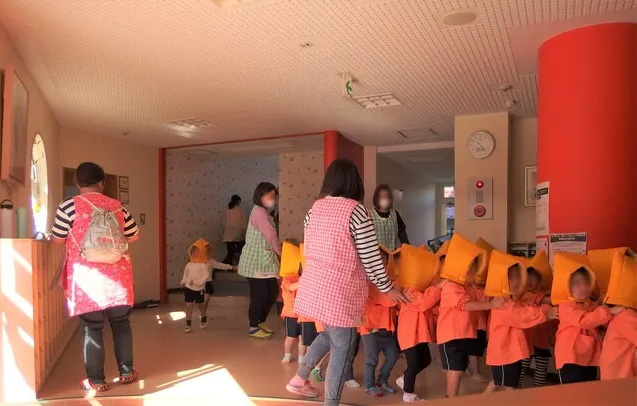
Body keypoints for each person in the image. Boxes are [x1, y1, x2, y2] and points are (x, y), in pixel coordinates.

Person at [285, 159, 409, 406]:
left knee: (329, 334)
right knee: (343, 347)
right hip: (340, 291)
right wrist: (388, 288)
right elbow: (371, 258)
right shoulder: (356, 211)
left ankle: (299, 379)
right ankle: (331, 402)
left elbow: (307, 250)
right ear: (354, 183)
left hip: (315, 285)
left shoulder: (314, 209)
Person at [52, 162, 140, 392]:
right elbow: (133, 235)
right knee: (121, 324)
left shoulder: (68, 207)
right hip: (118, 278)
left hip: (86, 280)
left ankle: (97, 381)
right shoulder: (118, 207)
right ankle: (127, 372)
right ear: (102, 182)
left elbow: (58, 239)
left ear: (76, 183)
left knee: (92, 327)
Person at [437, 237, 505, 398]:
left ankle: (450, 396)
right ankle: (451, 398)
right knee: (455, 370)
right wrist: (491, 305)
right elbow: (466, 305)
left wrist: (496, 296)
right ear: (463, 270)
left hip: (461, 334)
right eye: (473, 270)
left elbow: (482, 297)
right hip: (450, 336)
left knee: (456, 368)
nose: (475, 274)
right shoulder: (451, 286)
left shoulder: (467, 286)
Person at [483, 258, 558, 394]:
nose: (518, 280)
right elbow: (522, 315)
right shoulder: (503, 304)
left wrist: (547, 310)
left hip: (510, 353)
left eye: (518, 276)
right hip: (504, 353)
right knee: (505, 384)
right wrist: (546, 313)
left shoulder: (512, 300)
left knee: (503, 382)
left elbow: (528, 308)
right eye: (512, 277)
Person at [554, 266, 616, 384]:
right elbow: (584, 321)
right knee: (572, 392)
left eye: (587, 283)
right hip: (570, 357)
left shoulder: (591, 304)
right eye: (577, 283)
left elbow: (602, 320)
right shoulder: (565, 306)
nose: (583, 287)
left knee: (588, 390)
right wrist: (609, 310)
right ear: (567, 286)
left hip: (590, 356)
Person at [238, 182, 281, 339]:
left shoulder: (263, 212)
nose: (273, 199)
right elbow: (271, 236)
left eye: (274, 196)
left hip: (264, 261)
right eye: (270, 196)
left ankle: (260, 321)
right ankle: (253, 327)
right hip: (255, 262)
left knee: (272, 292)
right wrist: (280, 253)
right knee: (260, 295)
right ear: (260, 196)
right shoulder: (259, 213)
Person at [396, 277, 445, 402]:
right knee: (414, 363)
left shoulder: (422, 288)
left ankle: (405, 379)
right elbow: (425, 304)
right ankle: (408, 394)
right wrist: (438, 287)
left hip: (419, 333)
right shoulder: (409, 289)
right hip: (410, 332)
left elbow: (432, 302)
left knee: (426, 360)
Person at [180, 239, 235, 333]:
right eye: (194, 252)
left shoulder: (208, 263)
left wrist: (231, 267)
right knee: (189, 305)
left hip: (204, 285)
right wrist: (183, 282)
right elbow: (185, 275)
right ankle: (188, 324)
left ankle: (203, 315)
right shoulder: (189, 264)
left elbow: (218, 266)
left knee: (202, 303)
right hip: (189, 287)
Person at [518, 268, 554, 387]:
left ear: (538, 282)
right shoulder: (525, 295)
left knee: (541, 365)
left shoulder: (538, 294)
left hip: (541, 338)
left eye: (533, 279)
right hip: (528, 337)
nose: (530, 281)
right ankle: (515, 386)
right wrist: (563, 296)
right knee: (523, 364)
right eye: (527, 278)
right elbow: (547, 300)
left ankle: (537, 389)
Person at [371, 185, 409, 251]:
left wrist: (406, 250)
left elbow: (404, 238)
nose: (385, 199)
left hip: (392, 255)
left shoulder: (395, 215)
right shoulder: (370, 215)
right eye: (382, 197)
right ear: (376, 199)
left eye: (387, 196)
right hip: (375, 256)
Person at [281, 270, 307, 364]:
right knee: (290, 337)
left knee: (303, 338)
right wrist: (306, 280)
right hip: (291, 314)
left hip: (304, 315)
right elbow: (291, 287)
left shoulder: (306, 279)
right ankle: (287, 355)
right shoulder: (287, 279)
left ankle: (301, 357)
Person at [222, 194, 247, 266]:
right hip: (238, 235)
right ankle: (230, 266)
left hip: (228, 235)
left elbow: (223, 223)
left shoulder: (227, 210)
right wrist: (246, 232)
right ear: (238, 201)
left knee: (230, 253)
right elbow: (244, 223)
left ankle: (228, 267)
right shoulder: (240, 210)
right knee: (237, 253)